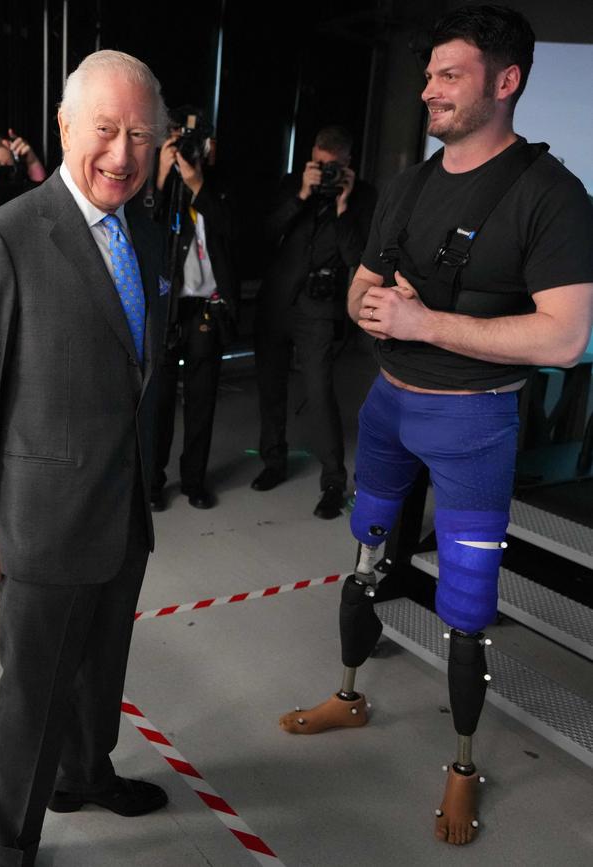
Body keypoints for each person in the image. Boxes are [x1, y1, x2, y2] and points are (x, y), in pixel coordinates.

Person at [278, 4, 593, 847]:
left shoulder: (552, 196)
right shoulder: (415, 184)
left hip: (475, 424)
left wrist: (426, 325)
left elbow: (565, 334)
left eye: (448, 75)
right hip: (388, 405)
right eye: (427, 77)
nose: (428, 92)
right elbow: (362, 286)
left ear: (506, 80)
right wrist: (374, 309)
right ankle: (349, 692)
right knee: (365, 551)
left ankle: (461, 767)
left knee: (465, 604)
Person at [0, 50, 170, 866]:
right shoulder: (3, 240)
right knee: (32, 696)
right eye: (105, 130)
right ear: (65, 126)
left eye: (141, 135)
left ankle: (85, 773)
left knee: (101, 671)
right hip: (40, 522)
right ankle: (9, 844)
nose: (122, 154)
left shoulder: (148, 236)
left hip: (125, 509)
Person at [252, 126, 376, 518]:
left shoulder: (362, 197)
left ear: (347, 164)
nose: (324, 173)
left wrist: (342, 206)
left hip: (318, 308)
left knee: (319, 391)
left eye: (332, 167)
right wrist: (301, 195)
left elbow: (356, 254)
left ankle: (334, 481)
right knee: (270, 386)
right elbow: (265, 235)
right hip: (275, 302)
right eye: (319, 165)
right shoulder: (291, 184)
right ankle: (273, 461)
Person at [150, 108, 238, 510]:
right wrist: (162, 177)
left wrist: (199, 183)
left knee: (201, 401)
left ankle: (194, 481)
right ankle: (152, 482)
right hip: (168, 309)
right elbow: (143, 231)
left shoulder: (221, 186)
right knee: (160, 403)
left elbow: (234, 232)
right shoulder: (160, 188)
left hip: (207, 308)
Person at [0, 129, 46, 217]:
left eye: (7, 168)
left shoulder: (24, 188)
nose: (3, 174)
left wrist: (32, 162)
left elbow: (45, 200)